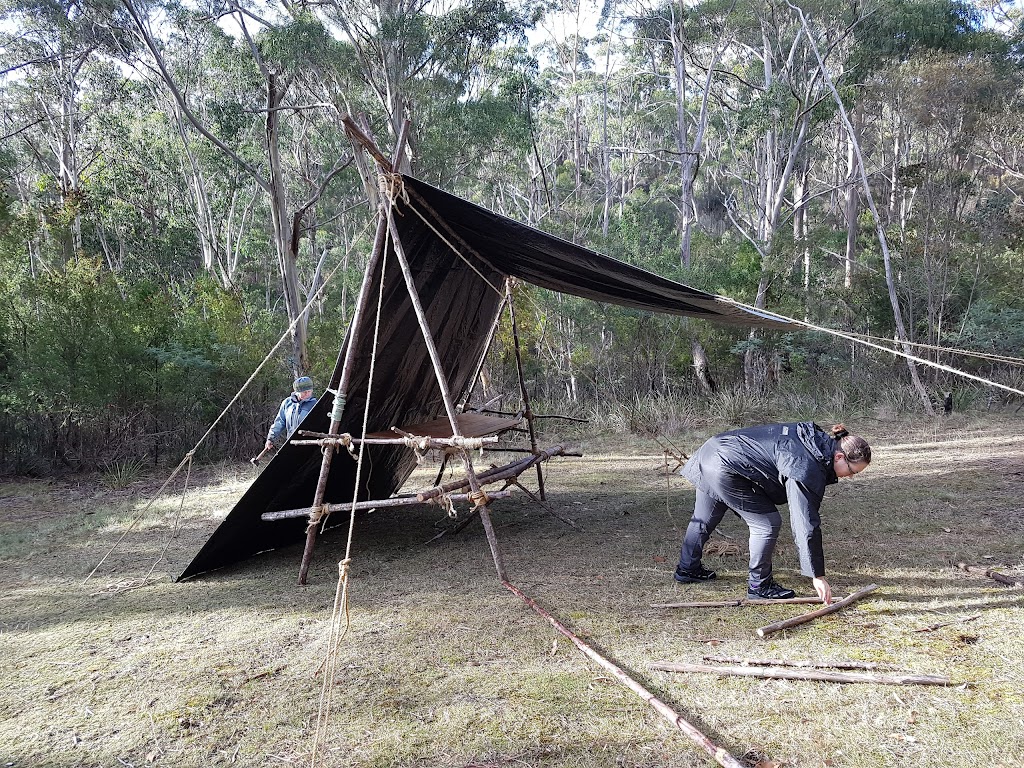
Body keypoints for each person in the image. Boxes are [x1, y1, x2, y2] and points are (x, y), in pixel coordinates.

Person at [673, 422, 871, 603]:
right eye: (852, 472)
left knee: (705, 518)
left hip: (713, 450)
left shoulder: (814, 441)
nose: (850, 477)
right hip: (725, 465)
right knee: (767, 523)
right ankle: (759, 585)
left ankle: (687, 568)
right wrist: (817, 576)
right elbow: (805, 522)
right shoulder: (805, 465)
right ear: (839, 457)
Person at [265, 376, 318, 452]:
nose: (307, 394)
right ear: (297, 392)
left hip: (309, 445)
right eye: (304, 392)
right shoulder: (287, 403)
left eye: (309, 391)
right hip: (291, 443)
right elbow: (279, 422)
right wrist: (271, 438)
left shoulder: (315, 405)